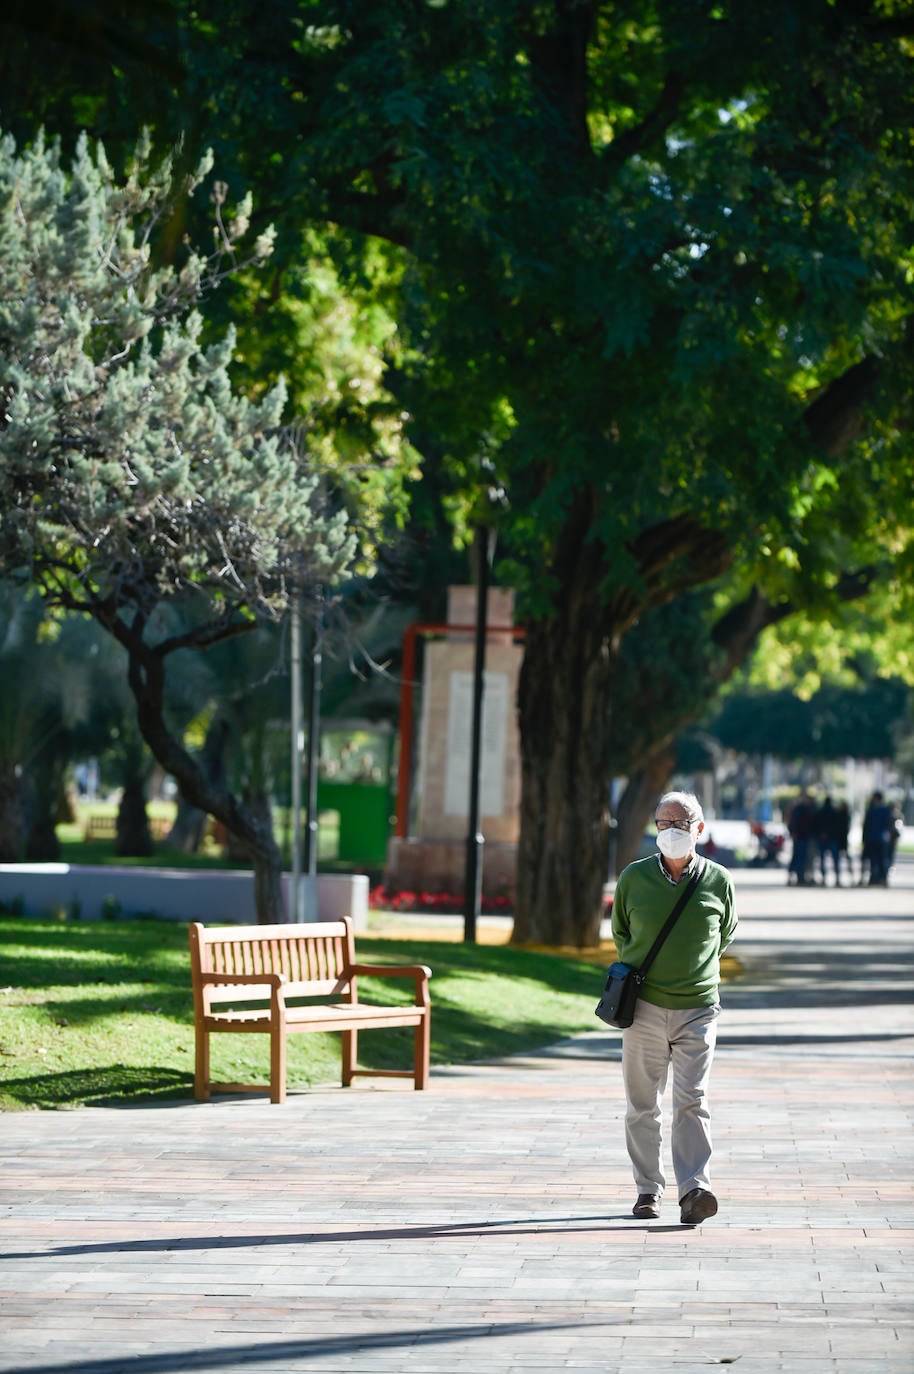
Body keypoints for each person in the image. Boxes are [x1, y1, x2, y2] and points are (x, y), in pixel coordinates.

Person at [610, 790, 738, 1226]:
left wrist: (693, 971)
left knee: (692, 1100)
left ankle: (694, 1189)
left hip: (698, 1008)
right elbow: (621, 933)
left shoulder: (718, 880)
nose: (671, 830)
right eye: (664, 823)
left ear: (699, 828)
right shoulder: (633, 878)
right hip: (643, 1007)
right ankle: (648, 1189)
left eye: (681, 823)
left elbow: (725, 933)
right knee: (642, 1104)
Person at [787, 790, 815, 885]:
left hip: (802, 836)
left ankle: (799, 876)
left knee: (800, 857)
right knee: (798, 857)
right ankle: (797, 877)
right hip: (800, 836)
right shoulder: (799, 809)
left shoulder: (803, 809)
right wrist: (793, 833)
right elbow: (793, 823)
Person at [814, 796, 842, 887]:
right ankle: (837, 877)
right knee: (835, 859)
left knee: (822, 859)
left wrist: (821, 834)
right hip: (833, 838)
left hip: (822, 838)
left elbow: (816, 825)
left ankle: (823, 878)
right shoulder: (835, 812)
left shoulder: (820, 812)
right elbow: (838, 826)